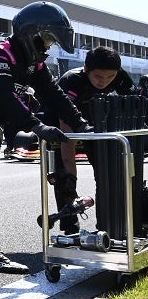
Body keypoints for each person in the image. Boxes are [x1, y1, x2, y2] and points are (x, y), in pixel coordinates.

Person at [0, 1, 89, 272]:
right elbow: (6, 97)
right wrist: (36, 126)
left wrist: (81, 124)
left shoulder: (34, 65)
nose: (48, 47)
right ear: (30, 33)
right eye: (47, 39)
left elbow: (55, 95)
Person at [46, 46, 133, 226]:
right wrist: (70, 174)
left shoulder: (121, 77)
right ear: (86, 69)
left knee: (106, 174)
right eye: (99, 76)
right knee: (65, 179)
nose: (104, 82)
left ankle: (106, 224)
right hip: (63, 124)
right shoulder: (71, 81)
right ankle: (69, 225)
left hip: (96, 126)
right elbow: (67, 133)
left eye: (110, 77)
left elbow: (135, 106)